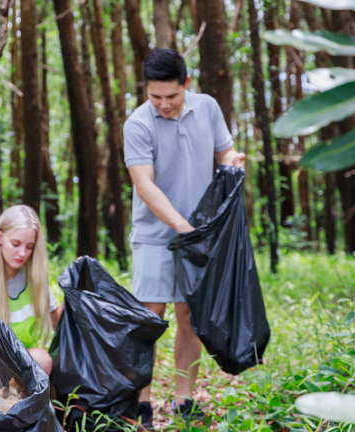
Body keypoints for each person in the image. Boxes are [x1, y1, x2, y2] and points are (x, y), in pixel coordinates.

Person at [123, 49, 245, 428]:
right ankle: (141, 402)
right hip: (155, 234)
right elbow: (144, 184)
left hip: (200, 234)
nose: (163, 104)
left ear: (186, 85)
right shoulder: (138, 123)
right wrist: (180, 225)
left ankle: (183, 399)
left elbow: (224, 150)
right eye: (154, 96)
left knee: (188, 316)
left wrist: (231, 162)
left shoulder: (207, 107)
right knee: (150, 317)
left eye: (171, 96)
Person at [0, 205, 63, 375]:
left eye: (29, 247)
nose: (22, 253)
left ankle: (29, 400)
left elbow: (56, 324)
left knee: (42, 358)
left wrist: (73, 289)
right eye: (15, 244)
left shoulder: (36, 280)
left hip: (23, 363)